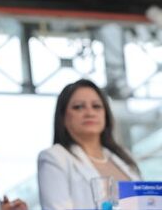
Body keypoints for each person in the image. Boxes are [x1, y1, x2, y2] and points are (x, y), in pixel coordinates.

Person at [38, 79, 140, 209]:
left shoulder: (123, 156)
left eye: (96, 106)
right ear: (63, 117)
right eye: (78, 107)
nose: (89, 113)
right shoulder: (54, 157)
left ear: (106, 115)